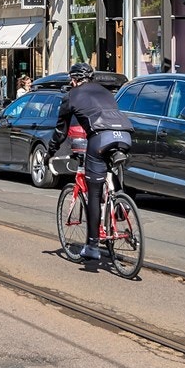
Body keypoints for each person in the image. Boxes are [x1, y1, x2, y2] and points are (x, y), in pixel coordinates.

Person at [48, 64, 133, 266]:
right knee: (110, 173)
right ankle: (120, 205)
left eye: (71, 79)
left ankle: (93, 245)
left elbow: (61, 131)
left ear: (75, 79)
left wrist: (50, 151)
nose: (70, 82)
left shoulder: (72, 95)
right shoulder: (105, 91)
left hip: (100, 138)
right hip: (125, 136)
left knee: (94, 192)